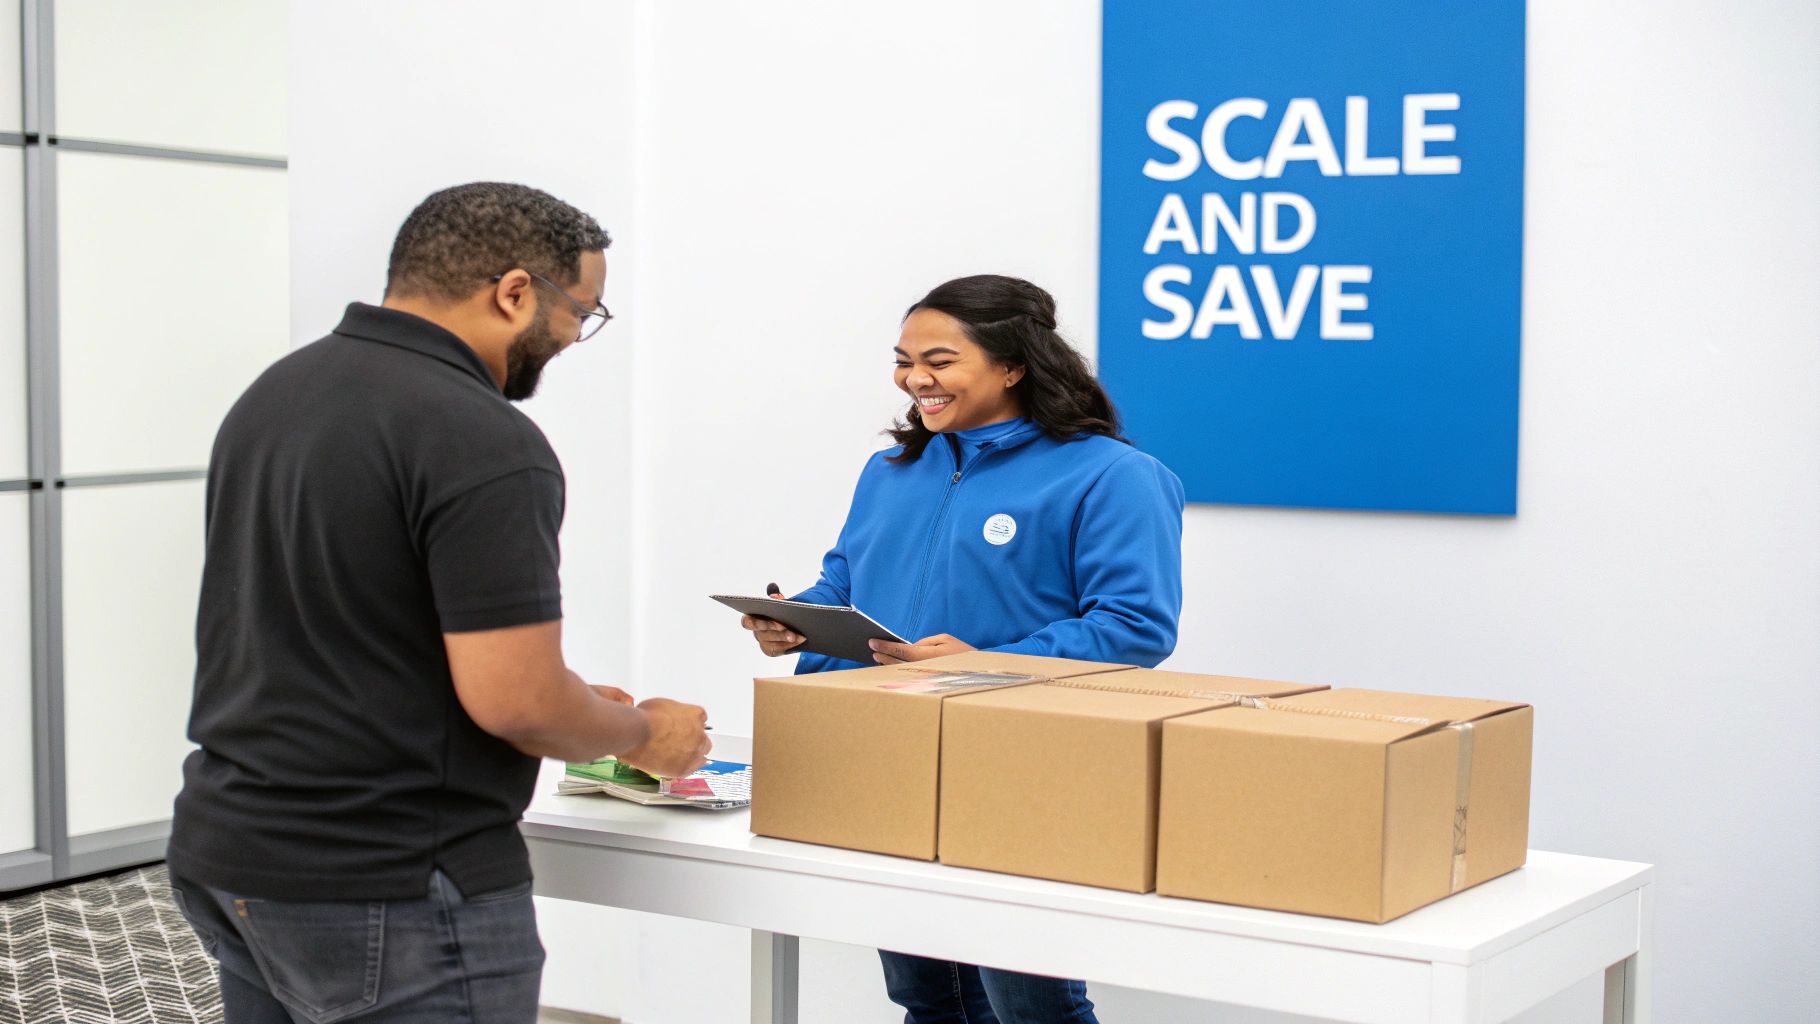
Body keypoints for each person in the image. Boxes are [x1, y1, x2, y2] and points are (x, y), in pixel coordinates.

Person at [167, 182, 712, 1024]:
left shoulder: (277, 394)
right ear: (515, 291)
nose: (574, 337)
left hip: (231, 848)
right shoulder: (480, 434)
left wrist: (566, 700)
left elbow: (341, 622)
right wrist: (647, 735)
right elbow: (517, 702)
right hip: (389, 878)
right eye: (582, 311)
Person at [741, 274, 1184, 1024]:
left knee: (1031, 1002)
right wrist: (798, 620)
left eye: (939, 360)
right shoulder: (892, 472)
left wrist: (982, 663)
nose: (915, 378)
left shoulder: (1114, 478)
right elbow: (846, 581)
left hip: (1021, 767)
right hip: (883, 755)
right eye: (904, 359)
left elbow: (1136, 625)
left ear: (1013, 364)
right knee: (926, 998)